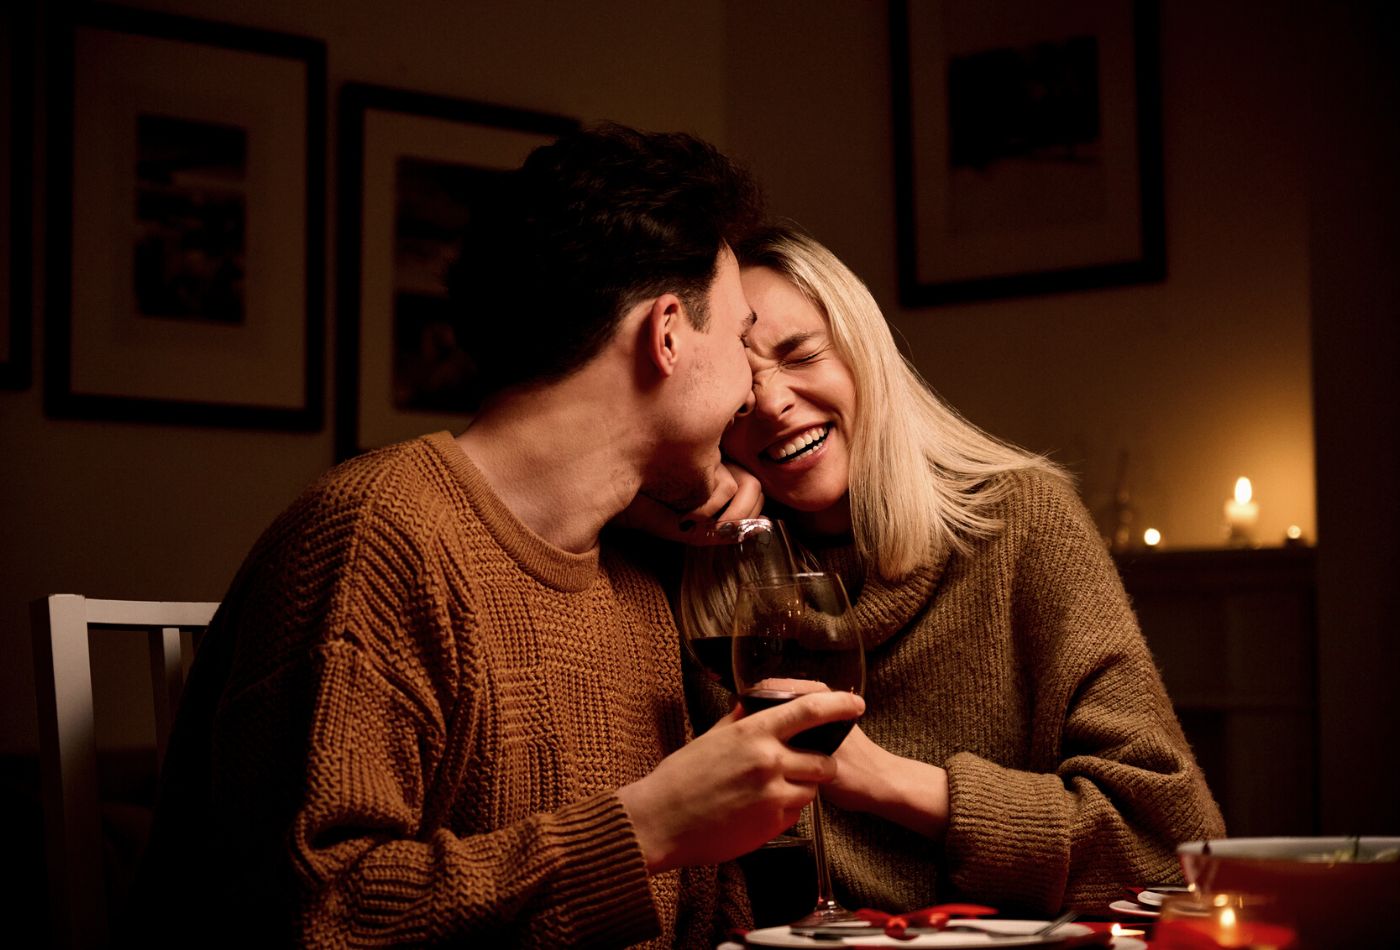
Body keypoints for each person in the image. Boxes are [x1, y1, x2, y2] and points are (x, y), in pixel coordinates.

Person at [127, 128, 864, 948]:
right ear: (666, 334)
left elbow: (695, 913)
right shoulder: (376, 537)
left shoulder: (630, 582)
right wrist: (643, 826)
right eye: (738, 336)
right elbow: (313, 912)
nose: (750, 391)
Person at [672, 224, 1225, 918]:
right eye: (742, 387)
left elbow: (1172, 846)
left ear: (865, 355)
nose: (775, 401)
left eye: (801, 355)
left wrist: (881, 779)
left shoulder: (1020, 522)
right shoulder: (706, 578)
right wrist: (683, 504)